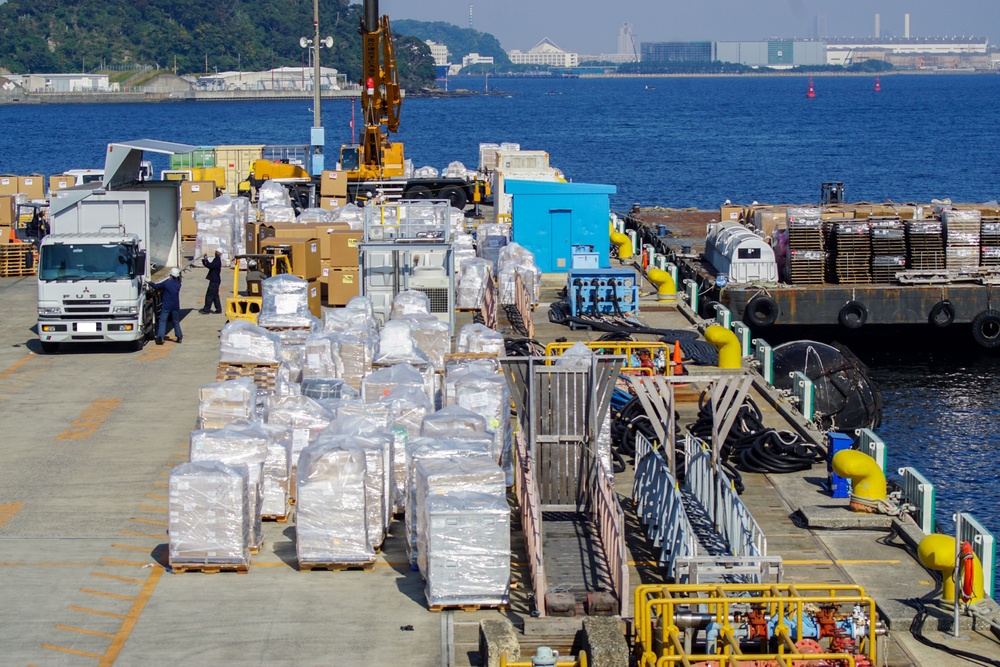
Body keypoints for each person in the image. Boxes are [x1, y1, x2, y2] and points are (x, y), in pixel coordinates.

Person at [153, 267, 183, 345]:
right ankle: (179, 336)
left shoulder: (166, 283)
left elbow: (156, 286)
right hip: (175, 306)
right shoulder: (178, 284)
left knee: (162, 321)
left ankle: (160, 337)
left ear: (171, 275)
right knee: (176, 321)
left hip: (166, 306)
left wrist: (149, 282)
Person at [199, 249, 223, 314]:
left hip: (214, 281)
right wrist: (205, 260)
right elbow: (209, 265)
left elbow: (210, 266)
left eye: (217, 252)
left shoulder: (217, 260)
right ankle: (218, 309)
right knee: (215, 296)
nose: (215, 253)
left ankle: (207, 309)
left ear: (220, 254)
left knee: (209, 295)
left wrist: (206, 259)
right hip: (215, 280)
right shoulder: (216, 259)